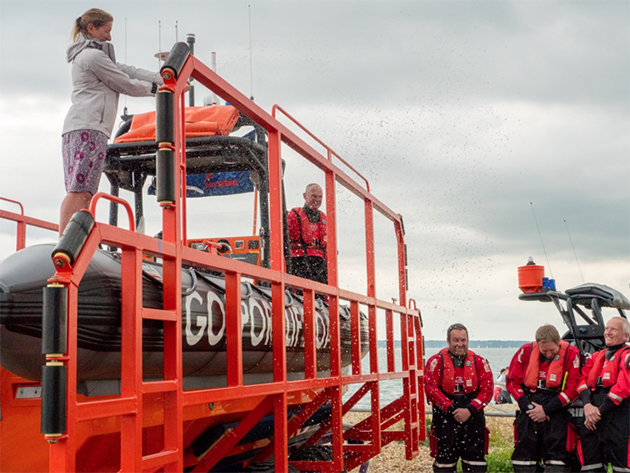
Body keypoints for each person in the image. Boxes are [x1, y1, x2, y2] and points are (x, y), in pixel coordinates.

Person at [60, 8, 171, 236]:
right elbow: (124, 83)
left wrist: (163, 78)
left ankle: (73, 240)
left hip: (81, 127)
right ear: (91, 28)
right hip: (89, 128)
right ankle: (65, 242)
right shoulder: (93, 57)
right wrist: (160, 89)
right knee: (81, 191)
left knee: (82, 190)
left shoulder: (91, 55)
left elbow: (127, 70)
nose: (109, 37)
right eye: (106, 30)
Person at [506, 324, 581, 473]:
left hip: (556, 410)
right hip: (529, 409)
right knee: (524, 461)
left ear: (559, 342)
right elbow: (512, 382)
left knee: (558, 461)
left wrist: (546, 410)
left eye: (552, 351)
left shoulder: (572, 354)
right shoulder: (525, 352)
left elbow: (573, 389)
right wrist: (528, 407)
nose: (547, 354)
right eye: (544, 351)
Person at [425, 323, 494, 473]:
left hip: (473, 419)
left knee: (476, 465)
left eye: (463, 340)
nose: (459, 344)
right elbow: (430, 388)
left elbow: (487, 390)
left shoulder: (480, 362)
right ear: (448, 341)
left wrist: (470, 409)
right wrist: (451, 408)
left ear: (468, 340)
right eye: (455, 340)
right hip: (445, 419)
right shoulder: (435, 362)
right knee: (444, 466)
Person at [576, 316, 630, 473]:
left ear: (626, 336)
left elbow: (622, 388)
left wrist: (597, 413)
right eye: (607, 329)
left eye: (613, 329)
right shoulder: (595, 356)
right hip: (592, 415)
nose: (608, 332)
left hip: (617, 417)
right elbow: (582, 381)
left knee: (622, 467)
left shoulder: (627, 356)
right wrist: (587, 406)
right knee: (591, 465)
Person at [287, 183, 327, 284]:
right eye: (314, 196)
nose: (317, 199)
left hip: (319, 263)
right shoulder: (293, 216)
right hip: (299, 261)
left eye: (320, 197)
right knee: (303, 292)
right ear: (305, 196)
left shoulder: (324, 219)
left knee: (321, 293)